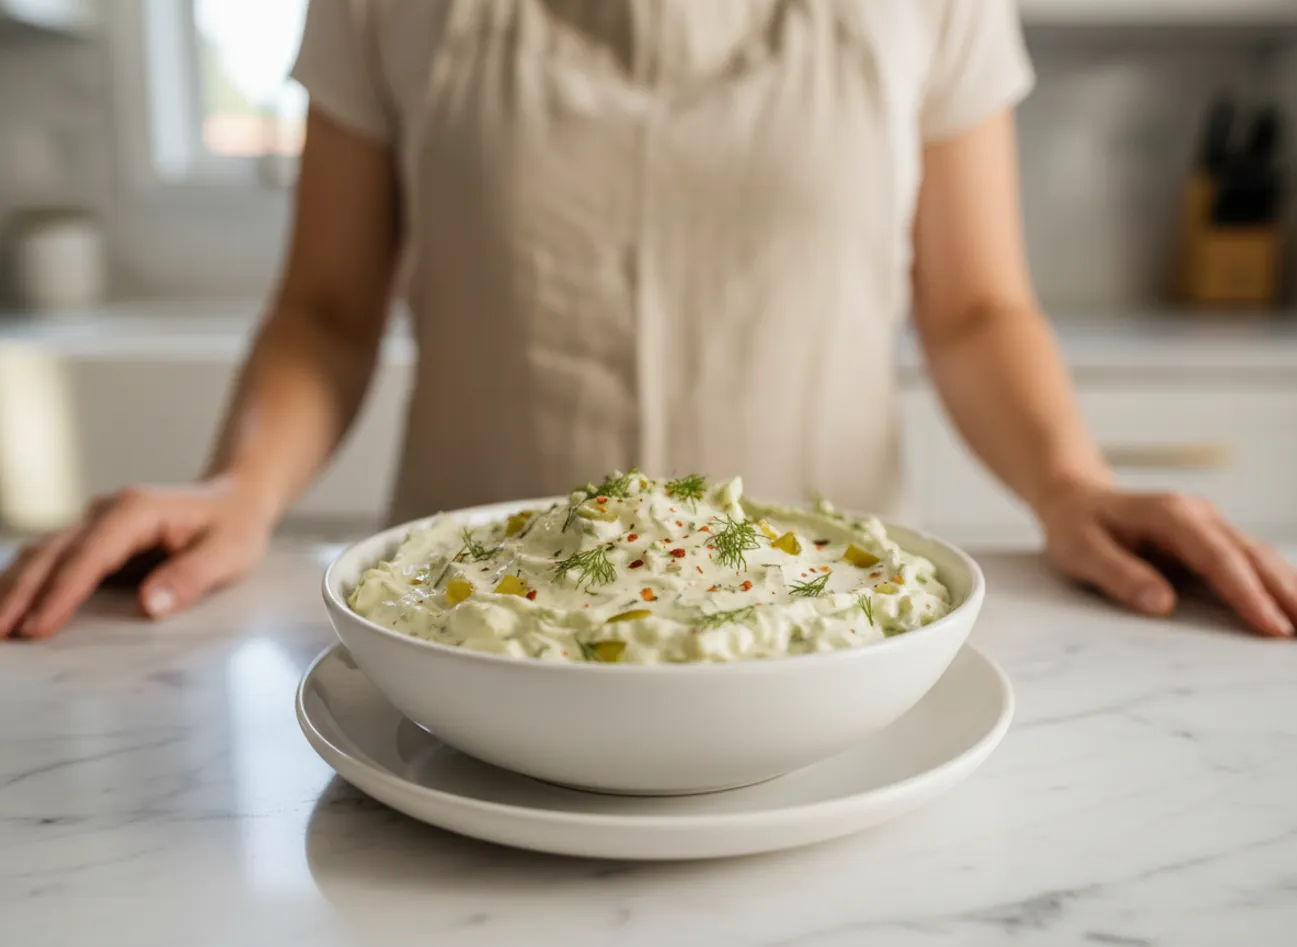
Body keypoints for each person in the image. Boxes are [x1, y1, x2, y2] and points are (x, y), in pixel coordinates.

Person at [2, 0, 1295, 641]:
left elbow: (974, 305)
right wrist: (241, 488)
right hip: (473, 632)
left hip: (816, 632)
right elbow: (331, 305)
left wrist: (1071, 485)